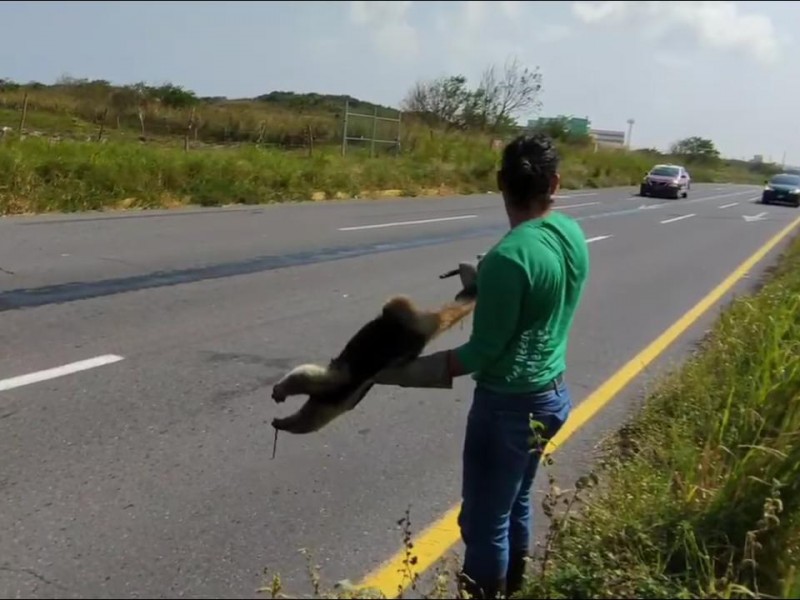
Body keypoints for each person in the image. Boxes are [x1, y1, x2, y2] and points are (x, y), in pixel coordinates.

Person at [373, 132, 590, 599]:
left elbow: (480, 353)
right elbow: (540, 299)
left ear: (500, 182)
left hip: (508, 409)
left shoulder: (509, 257)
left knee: (483, 521)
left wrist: (398, 373)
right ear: (555, 183)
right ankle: (515, 589)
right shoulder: (570, 233)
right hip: (552, 396)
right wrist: (484, 283)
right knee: (515, 505)